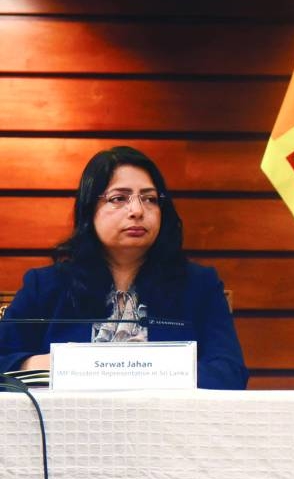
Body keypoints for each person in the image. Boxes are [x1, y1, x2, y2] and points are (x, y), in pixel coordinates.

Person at [0, 146, 248, 390]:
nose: (137, 211)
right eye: (119, 198)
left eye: (150, 199)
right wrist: (50, 365)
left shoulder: (199, 284)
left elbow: (229, 371)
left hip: (166, 416)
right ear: (89, 209)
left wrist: (151, 371)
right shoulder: (45, 286)